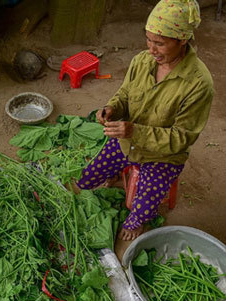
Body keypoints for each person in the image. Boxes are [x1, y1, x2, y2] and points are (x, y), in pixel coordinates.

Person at [77, 0, 214, 240]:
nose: (151, 49)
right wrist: (112, 108)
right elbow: (125, 94)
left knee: (142, 206)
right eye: (148, 40)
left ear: (182, 40)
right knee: (90, 175)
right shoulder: (142, 61)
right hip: (127, 142)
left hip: (163, 156)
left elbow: (181, 139)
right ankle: (112, 175)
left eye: (160, 43)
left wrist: (134, 132)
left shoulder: (199, 84)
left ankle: (137, 222)